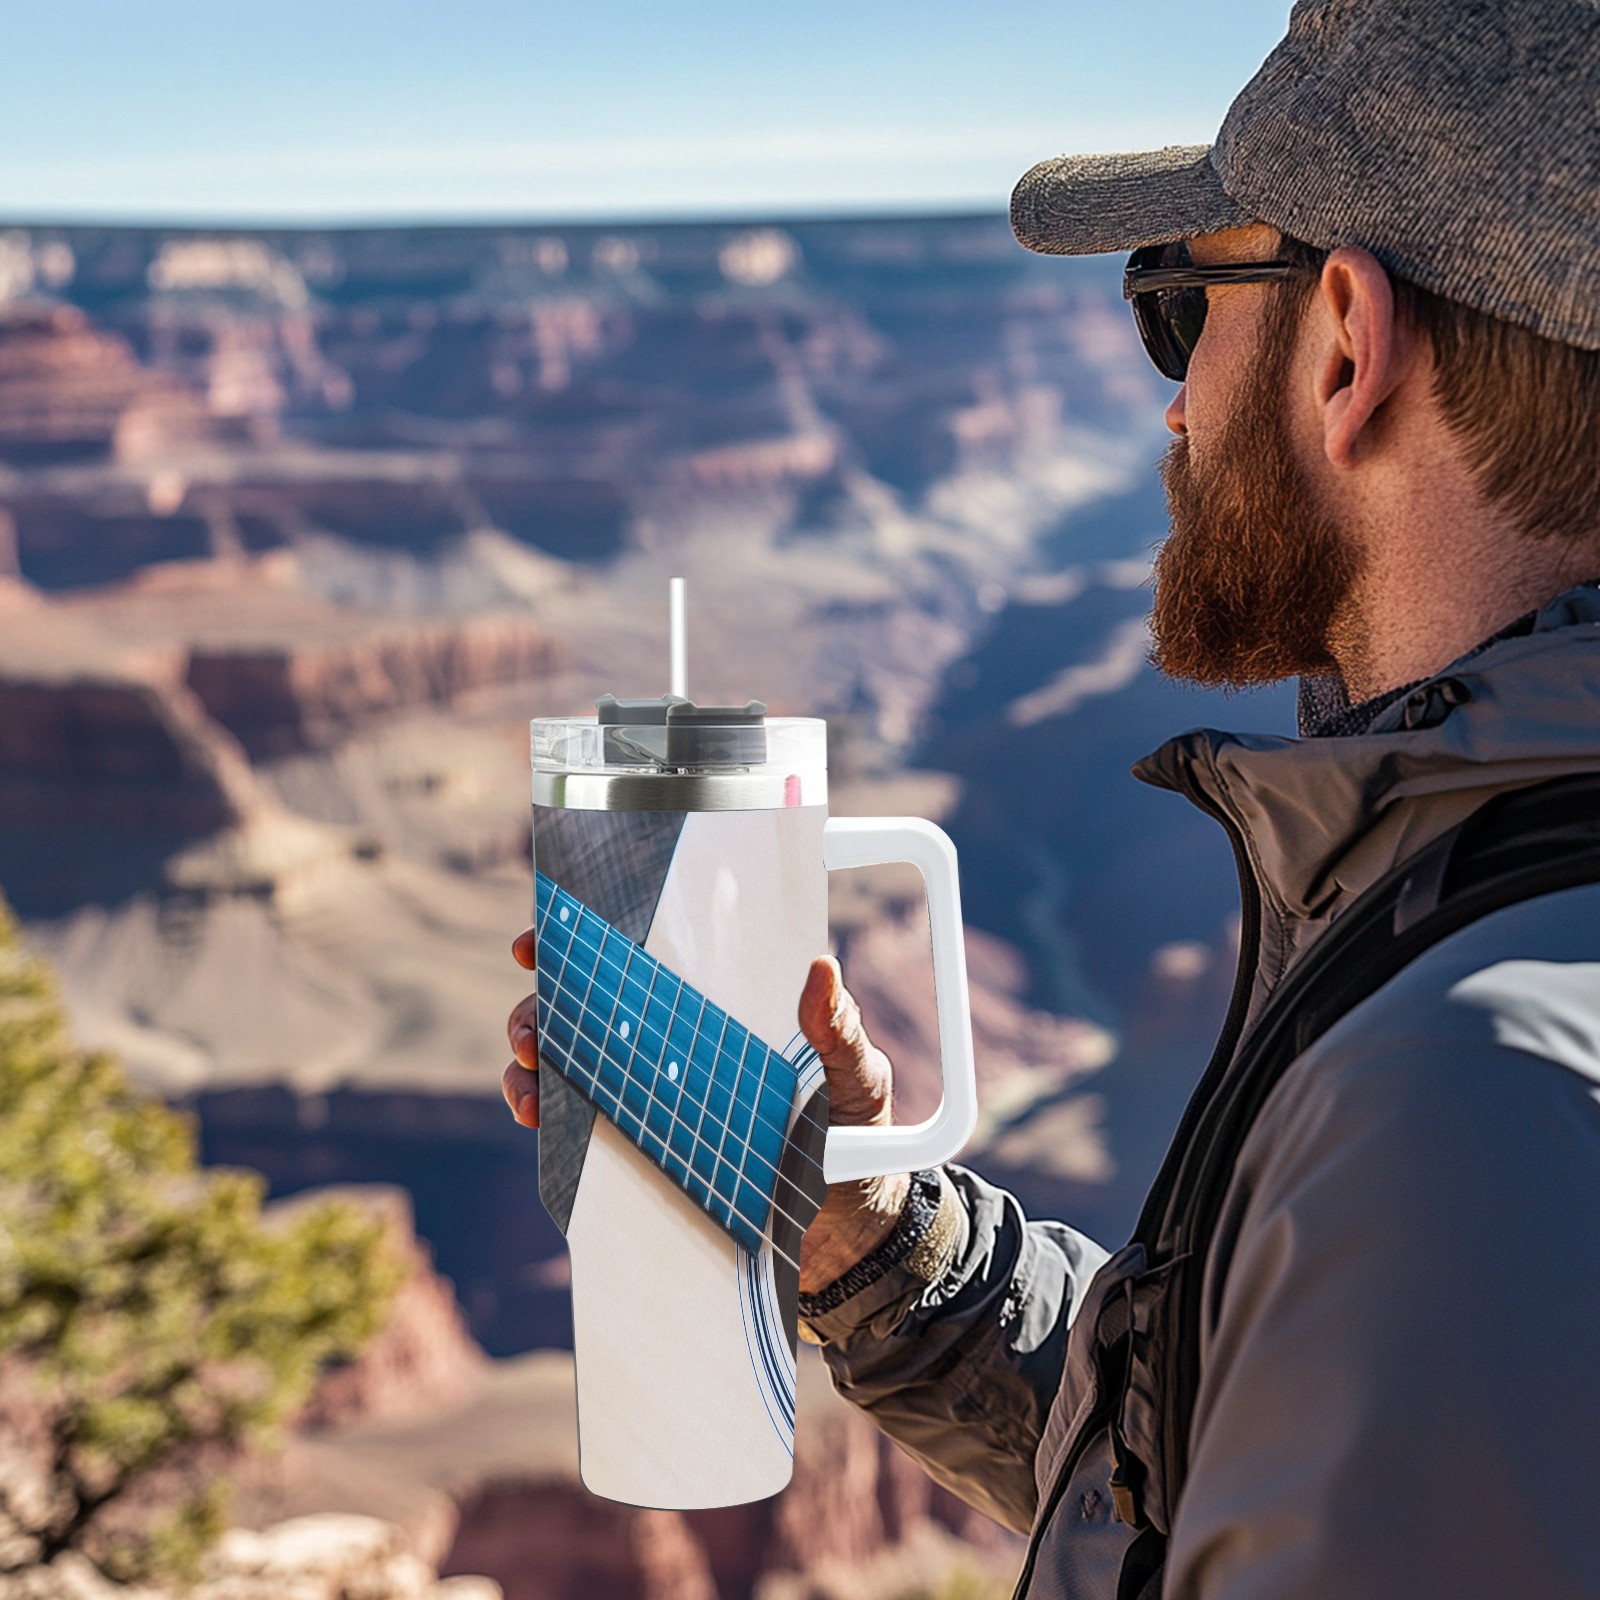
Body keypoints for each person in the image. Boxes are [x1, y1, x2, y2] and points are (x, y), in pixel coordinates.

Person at [504, 0, 1600, 1592]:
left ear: (1347, 344)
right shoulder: (1491, 965)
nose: (1173, 402)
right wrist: (861, 1226)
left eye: (1182, 305)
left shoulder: (1459, 1105)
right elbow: (1234, 1467)